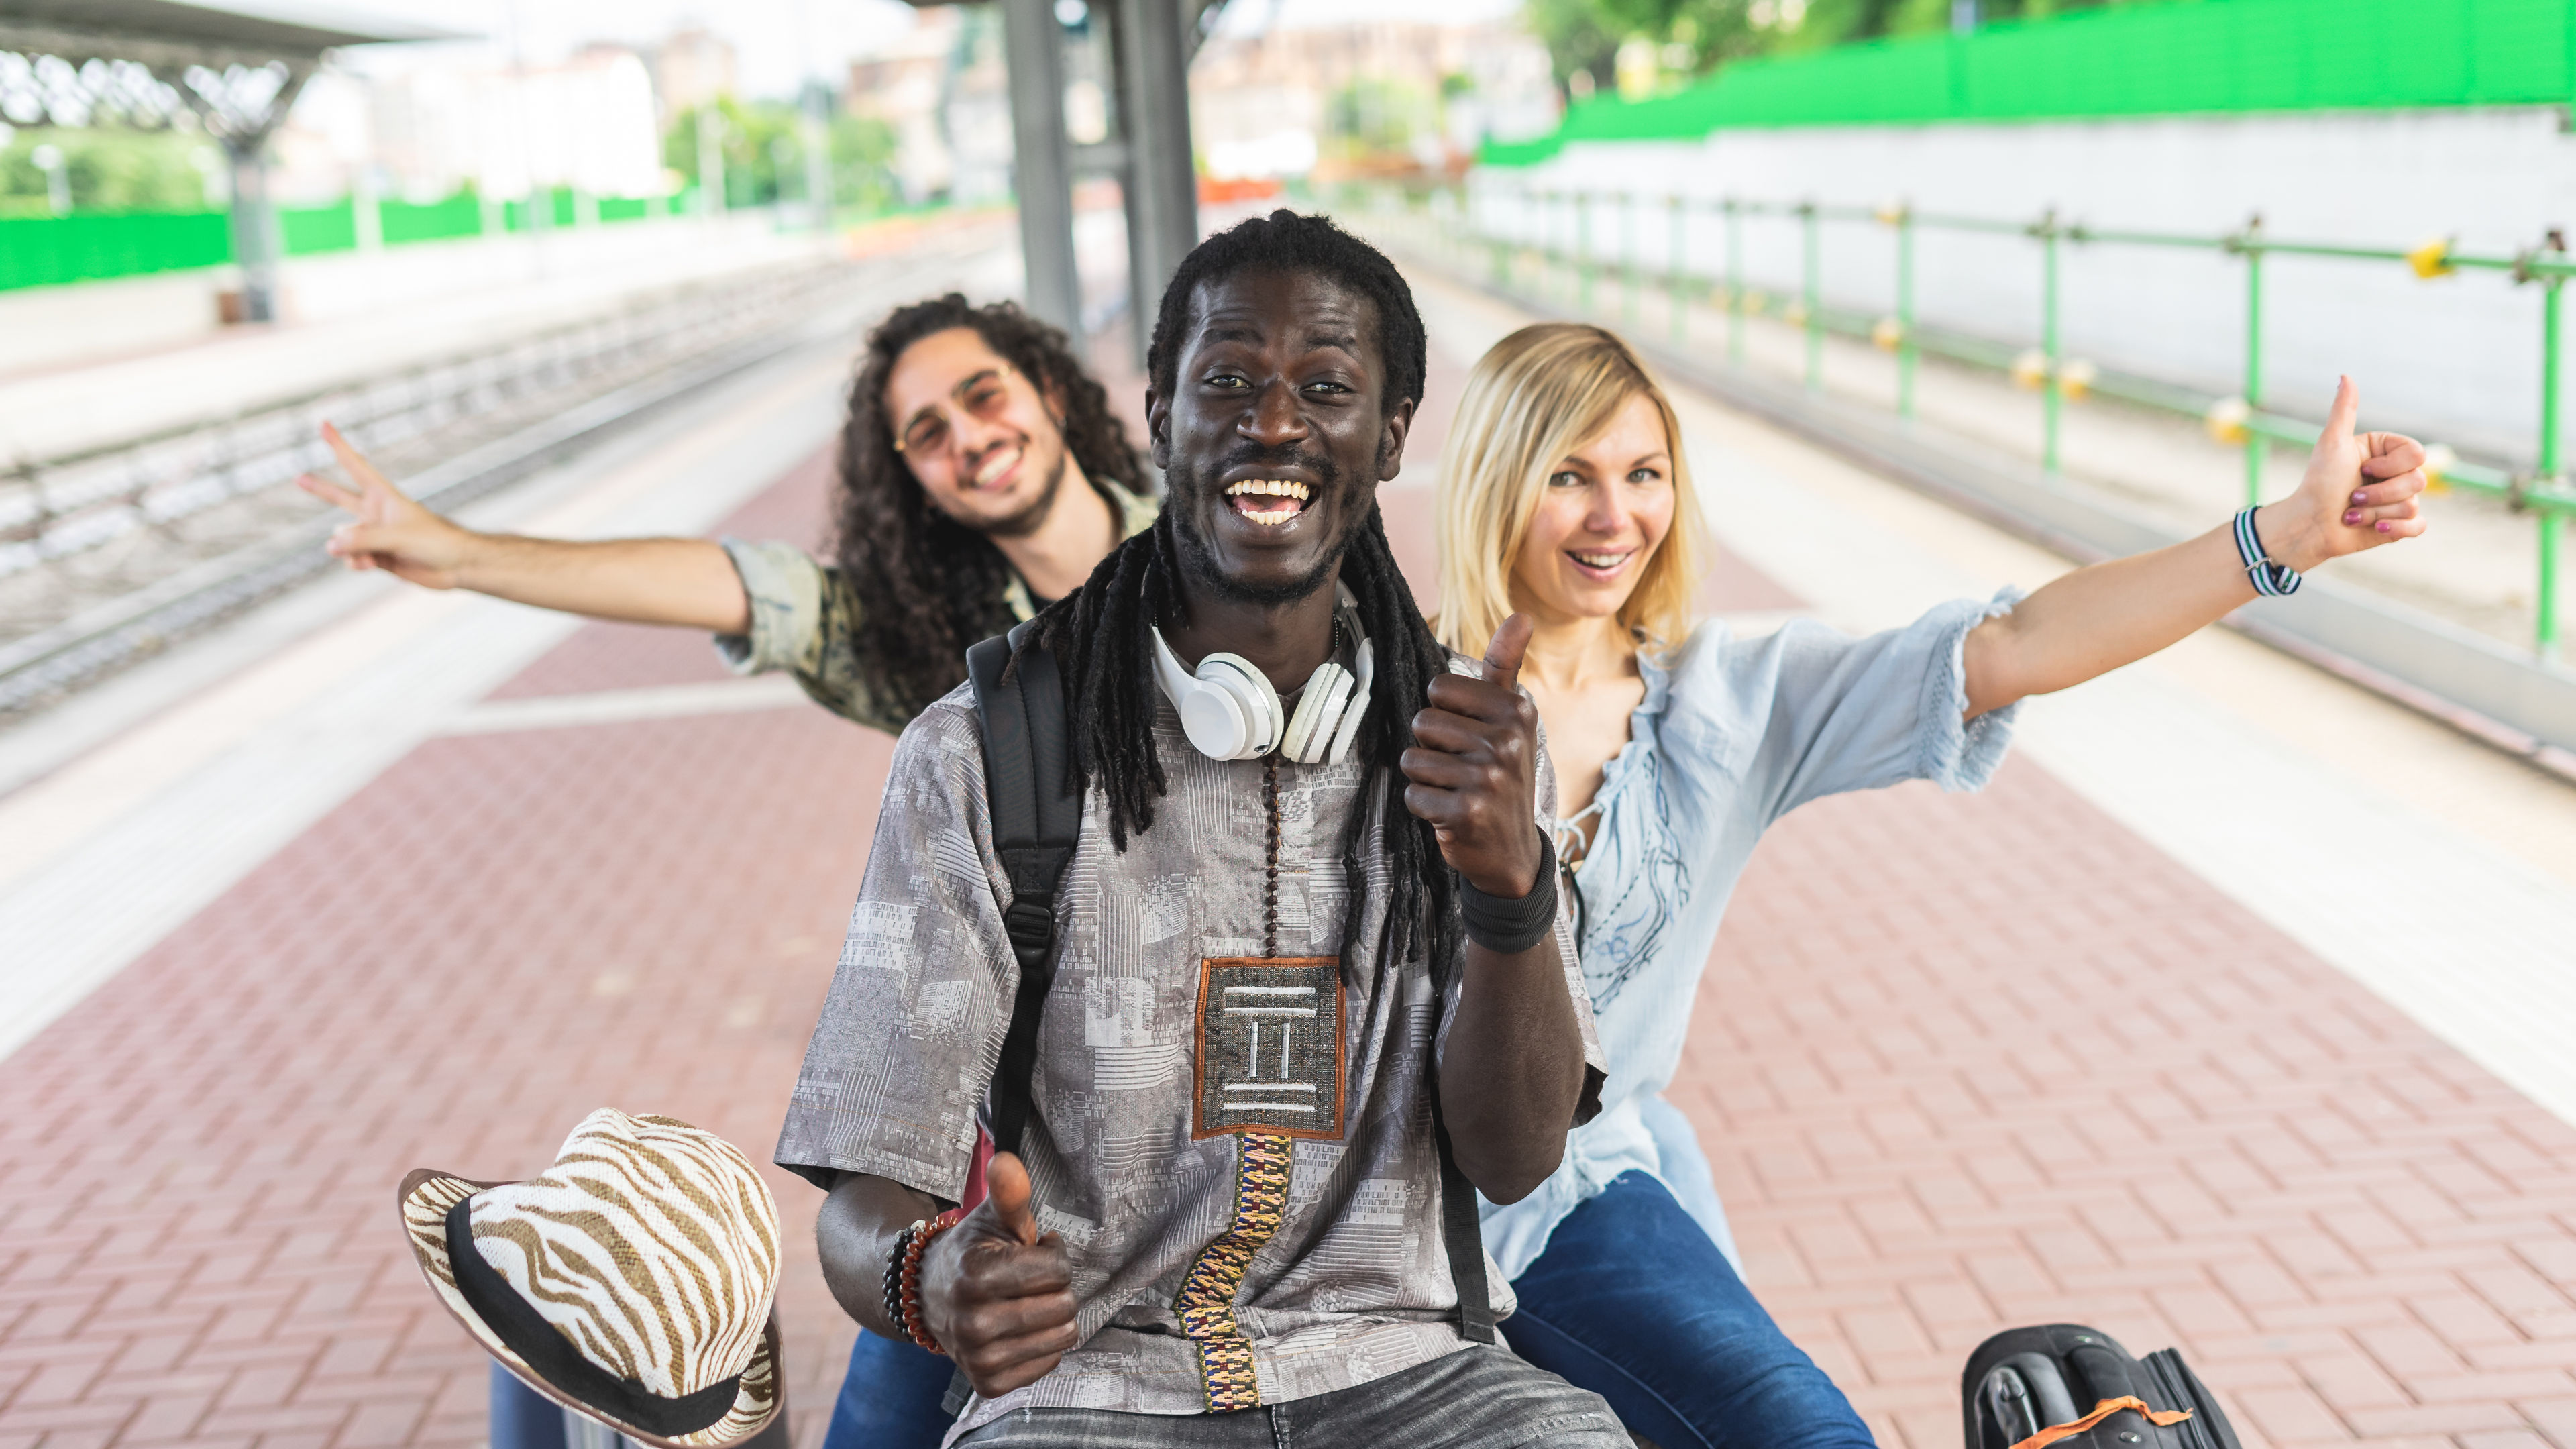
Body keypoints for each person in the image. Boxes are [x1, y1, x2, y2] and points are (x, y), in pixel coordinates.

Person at [1428, 321, 2428, 1449]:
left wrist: (2282, 535)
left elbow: (2015, 644)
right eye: (1571, 476)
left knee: (1801, 1431)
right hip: (1395, 1204)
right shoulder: (1389, 702)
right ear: (1500, 481)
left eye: (1644, 474)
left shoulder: (1732, 702)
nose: (1616, 517)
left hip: (1582, 1196)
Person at [777, 211, 1629, 1448]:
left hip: (1406, 1371)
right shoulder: (983, 752)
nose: (1273, 422)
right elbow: (865, 1193)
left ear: (1389, 439)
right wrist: (928, 1277)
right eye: (1227, 380)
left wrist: (1510, 891)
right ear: (1161, 413)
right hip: (1092, 1393)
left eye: (1326, 388)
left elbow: (1516, 1157)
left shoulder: (1469, 742)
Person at [297, 295, 1157, 733]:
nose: (970, 438)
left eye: (983, 395)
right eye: (929, 433)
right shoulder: (931, 648)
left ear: (1046, 392)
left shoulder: (1218, 548)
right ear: (917, 484)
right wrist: (459, 557)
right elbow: (735, 586)